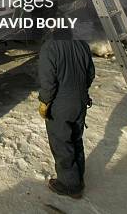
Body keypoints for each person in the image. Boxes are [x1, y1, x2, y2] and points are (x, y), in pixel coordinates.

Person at [38, 28, 95, 199]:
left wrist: (44, 102)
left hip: (60, 104)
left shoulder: (50, 48)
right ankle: (78, 176)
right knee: (76, 138)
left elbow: (48, 81)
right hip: (80, 101)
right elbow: (90, 74)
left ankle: (70, 185)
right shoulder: (82, 44)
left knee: (62, 142)